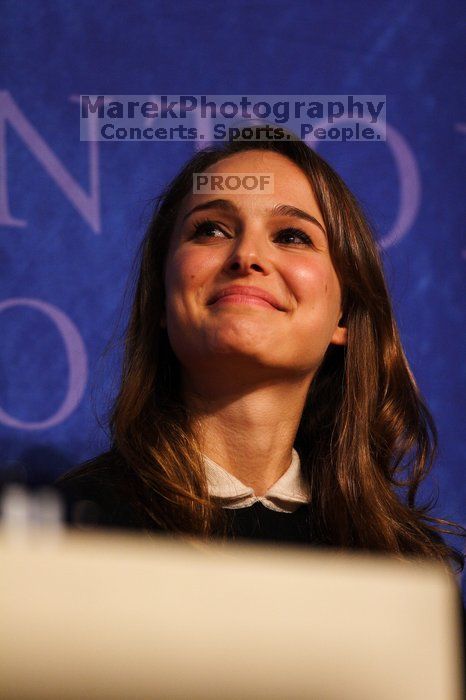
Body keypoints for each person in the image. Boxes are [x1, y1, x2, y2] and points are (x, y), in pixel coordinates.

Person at [56, 132, 465, 575]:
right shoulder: (69, 529)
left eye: (291, 236)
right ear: (160, 299)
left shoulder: (406, 565)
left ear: (344, 316)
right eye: (209, 229)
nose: (247, 256)